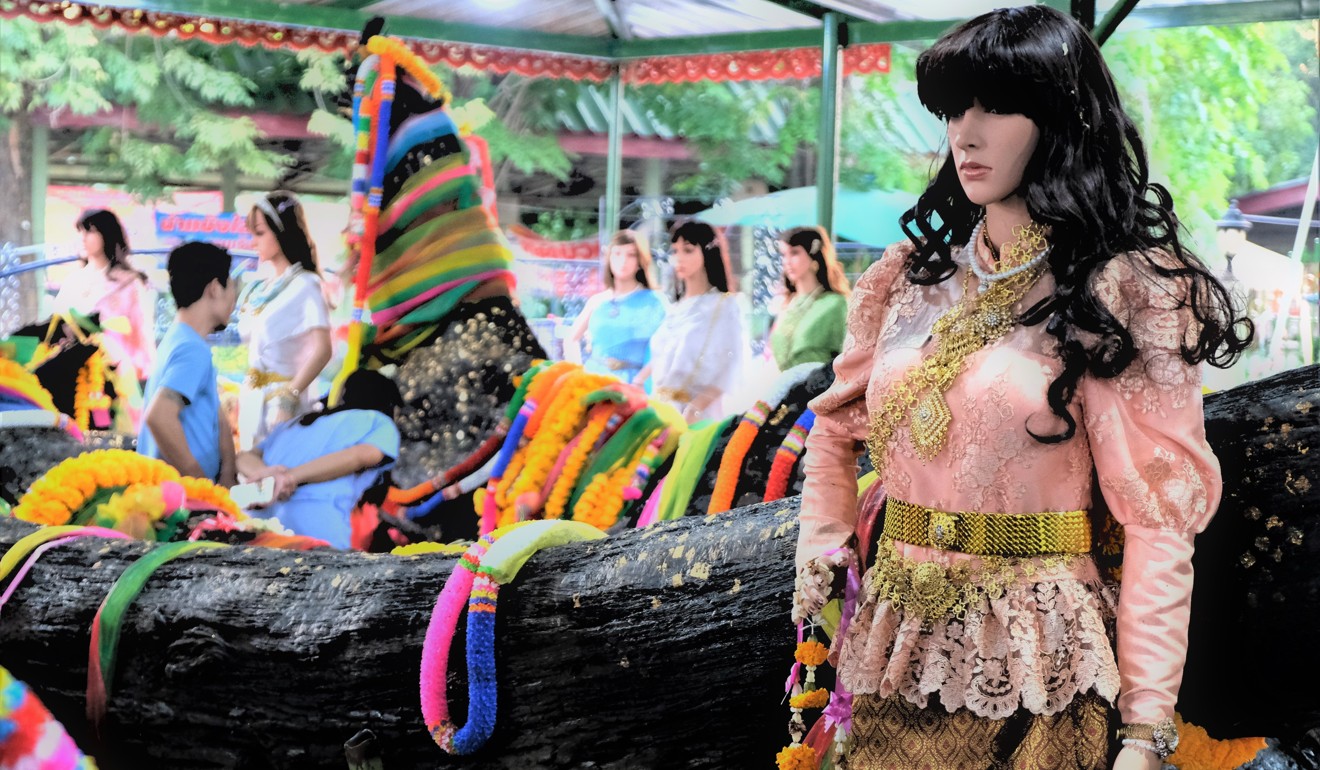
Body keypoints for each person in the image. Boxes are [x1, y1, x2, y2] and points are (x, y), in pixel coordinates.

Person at [791, 7, 1252, 770]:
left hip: (1040, 670)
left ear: (1061, 119)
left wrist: (1144, 729)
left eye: (996, 107)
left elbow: (1158, 521)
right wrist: (822, 562)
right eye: (953, 110)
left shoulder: (1123, 291)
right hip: (891, 647)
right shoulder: (908, 280)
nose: (965, 134)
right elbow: (834, 431)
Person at [235, 369, 402, 549]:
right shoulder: (379, 422)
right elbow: (359, 456)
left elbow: (244, 457)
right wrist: (287, 478)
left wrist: (267, 477)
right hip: (316, 523)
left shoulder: (297, 422)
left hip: (254, 519)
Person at [236, 191, 332, 450]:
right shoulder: (263, 288)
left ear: (281, 232)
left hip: (284, 404)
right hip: (253, 401)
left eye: (259, 233)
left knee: (278, 477)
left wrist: (290, 396)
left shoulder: (307, 285)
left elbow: (323, 350)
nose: (253, 241)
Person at [138, 242, 238, 484]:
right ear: (215, 288)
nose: (235, 298)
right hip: (182, 502)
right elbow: (159, 417)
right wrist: (202, 487)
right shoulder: (191, 349)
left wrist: (227, 473)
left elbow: (215, 412)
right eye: (232, 287)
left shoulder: (180, 339)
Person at [636, 222, 747, 424]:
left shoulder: (725, 305)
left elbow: (731, 364)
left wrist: (696, 408)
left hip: (696, 418)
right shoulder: (676, 307)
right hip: (660, 413)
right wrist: (638, 383)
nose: (679, 258)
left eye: (688, 250)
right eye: (675, 250)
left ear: (707, 252)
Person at [53, 209, 156, 383]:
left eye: (90, 231)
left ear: (107, 235)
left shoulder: (130, 283)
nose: (83, 238)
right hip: (72, 374)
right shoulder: (73, 281)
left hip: (116, 376)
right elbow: (56, 326)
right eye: (81, 232)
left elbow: (143, 335)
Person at [564, 231, 667, 387]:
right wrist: (577, 374)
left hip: (633, 387)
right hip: (592, 383)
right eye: (617, 253)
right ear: (609, 258)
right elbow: (571, 339)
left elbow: (668, 348)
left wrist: (640, 380)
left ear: (640, 260)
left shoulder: (655, 301)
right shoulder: (597, 301)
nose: (622, 261)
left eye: (631, 255)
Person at [769, 226, 850, 371]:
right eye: (783, 254)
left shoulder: (835, 304)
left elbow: (847, 358)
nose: (786, 261)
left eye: (794, 253)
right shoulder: (786, 305)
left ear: (813, 254)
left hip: (820, 389)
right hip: (782, 388)